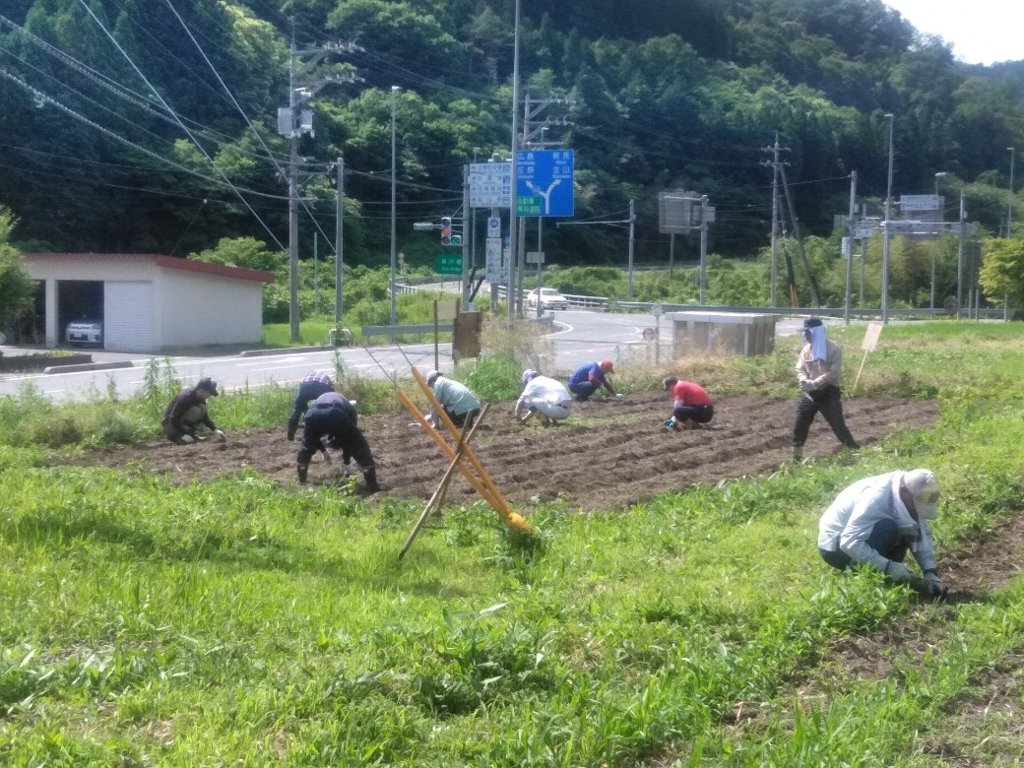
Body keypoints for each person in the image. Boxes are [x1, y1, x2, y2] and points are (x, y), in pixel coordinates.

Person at [818, 468, 947, 596]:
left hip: (863, 536)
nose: (915, 511)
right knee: (890, 527)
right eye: (915, 506)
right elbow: (849, 542)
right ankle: (862, 570)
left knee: (906, 525)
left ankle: (884, 572)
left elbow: (919, 530)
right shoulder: (875, 498)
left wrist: (930, 571)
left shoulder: (908, 490)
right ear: (904, 492)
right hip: (835, 547)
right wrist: (888, 567)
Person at [793, 317, 859, 460]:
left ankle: (854, 452)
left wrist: (816, 382)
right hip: (811, 393)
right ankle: (797, 457)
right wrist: (803, 379)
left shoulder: (833, 349)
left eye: (808, 332)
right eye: (804, 333)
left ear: (816, 332)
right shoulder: (806, 349)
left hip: (828, 392)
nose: (805, 335)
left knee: (838, 425)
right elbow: (800, 368)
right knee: (800, 423)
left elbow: (834, 372)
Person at [296, 392, 380, 492]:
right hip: (335, 412)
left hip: (312, 414)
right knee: (360, 446)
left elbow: (314, 438)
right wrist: (347, 463)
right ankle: (372, 486)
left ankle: (302, 480)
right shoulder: (350, 409)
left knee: (307, 444)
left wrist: (323, 451)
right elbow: (349, 440)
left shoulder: (321, 400)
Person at [162, 377, 225, 444]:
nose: (210, 396)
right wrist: (183, 433)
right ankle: (179, 437)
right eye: (210, 393)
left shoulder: (199, 398)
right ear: (202, 391)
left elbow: (204, 417)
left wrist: (214, 429)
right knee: (196, 410)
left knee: (202, 408)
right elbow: (173, 418)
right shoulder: (185, 397)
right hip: (170, 426)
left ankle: (191, 435)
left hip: (177, 425)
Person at [286, 371, 336, 441]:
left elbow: (303, 406)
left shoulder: (310, 376)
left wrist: (307, 415)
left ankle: (290, 435)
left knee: (298, 408)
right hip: (321, 384)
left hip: (304, 384)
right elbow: (333, 398)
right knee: (325, 407)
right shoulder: (329, 384)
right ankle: (329, 432)